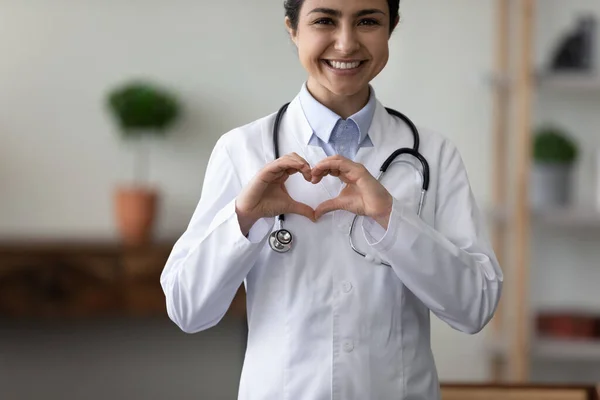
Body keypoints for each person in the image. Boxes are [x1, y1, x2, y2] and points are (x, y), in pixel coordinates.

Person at [160, 0, 503, 398]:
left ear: (391, 27)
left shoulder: (433, 154)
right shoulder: (242, 150)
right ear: (292, 28)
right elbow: (187, 310)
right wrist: (242, 219)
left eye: (368, 21)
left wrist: (392, 220)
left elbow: (475, 307)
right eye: (325, 20)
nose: (345, 43)